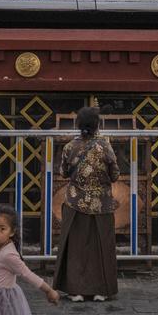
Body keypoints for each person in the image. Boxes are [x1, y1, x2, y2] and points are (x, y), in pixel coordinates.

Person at [52, 105, 120, 302]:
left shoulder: (70, 147)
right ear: (97, 125)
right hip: (102, 203)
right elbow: (115, 174)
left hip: (75, 202)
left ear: (78, 124)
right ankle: (101, 290)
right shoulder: (105, 146)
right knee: (102, 245)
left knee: (76, 246)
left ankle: (76, 290)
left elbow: (63, 173)